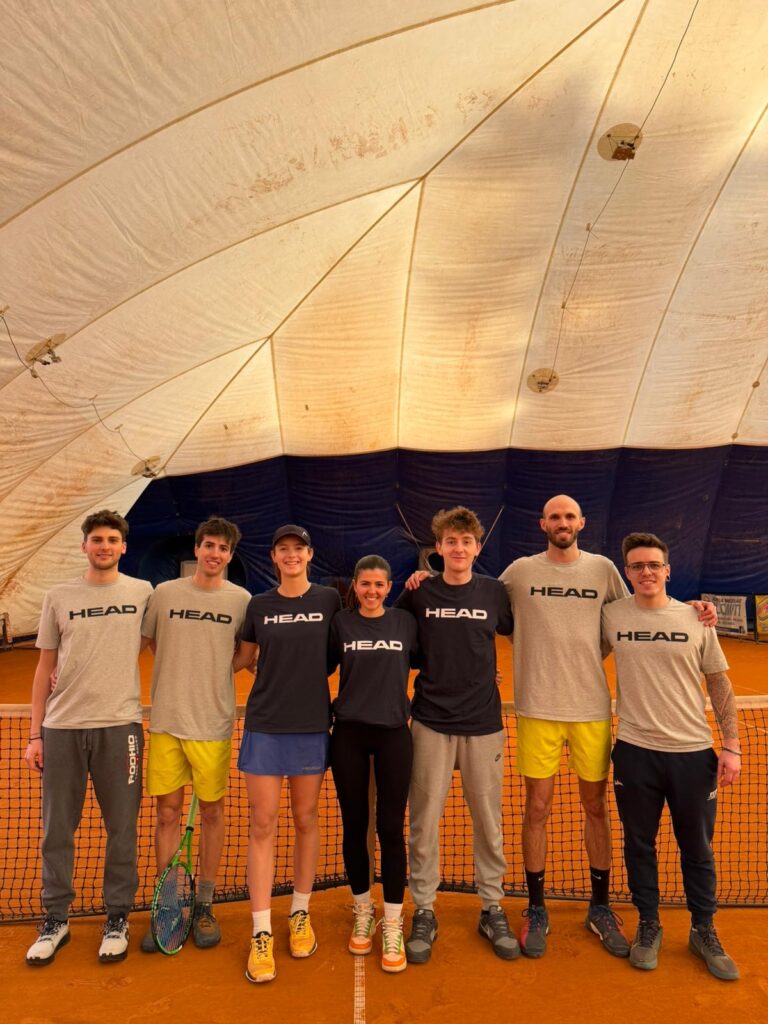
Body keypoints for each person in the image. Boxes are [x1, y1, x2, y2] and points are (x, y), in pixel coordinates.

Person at [603, 532, 741, 980]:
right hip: (635, 752)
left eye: (653, 565)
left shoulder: (696, 618)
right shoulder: (611, 615)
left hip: (692, 754)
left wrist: (732, 745)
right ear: (627, 572)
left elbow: (718, 682)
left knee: (697, 847)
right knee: (638, 844)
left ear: (667, 570)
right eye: (637, 565)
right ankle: (648, 924)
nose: (646, 572)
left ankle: (703, 929)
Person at [498, 495, 631, 958]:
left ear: (581, 522)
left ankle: (600, 906)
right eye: (555, 516)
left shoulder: (603, 570)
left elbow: (632, 614)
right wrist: (423, 579)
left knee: (596, 806)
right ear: (543, 524)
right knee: (537, 807)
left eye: (569, 516)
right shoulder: (519, 572)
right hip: (536, 708)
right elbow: (477, 598)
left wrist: (693, 610)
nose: (562, 522)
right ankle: (536, 907)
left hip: (591, 709)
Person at [24, 510, 152, 965]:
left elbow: (157, 641)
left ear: (123, 547)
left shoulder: (143, 592)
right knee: (56, 830)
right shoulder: (58, 596)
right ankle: (56, 919)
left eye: (112, 539)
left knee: (122, 828)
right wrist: (35, 735)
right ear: (84, 546)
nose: (104, 546)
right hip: (61, 730)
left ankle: (117, 916)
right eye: (96, 539)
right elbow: (44, 666)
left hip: (121, 728)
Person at [396, 506, 518, 964]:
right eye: (451, 541)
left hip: (483, 724)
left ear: (477, 547)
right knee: (423, 819)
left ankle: (492, 906)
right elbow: (395, 643)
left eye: (466, 541)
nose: (459, 548)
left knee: (488, 820)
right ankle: (424, 908)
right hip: (430, 720)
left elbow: (521, 631)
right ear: (439, 547)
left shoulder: (494, 592)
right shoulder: (418, 593)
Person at [234, 525, 342, 984]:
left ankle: (300, 912)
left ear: (310, 554)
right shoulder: (259, 605)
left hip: (311, 724)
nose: (292, 555)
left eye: (299, 548)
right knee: (262, 823)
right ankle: (261, 930)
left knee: (305, 818)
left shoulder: (329, 600)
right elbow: (242, 658)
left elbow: (345, 650)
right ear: (274, 557)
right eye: (284, 549)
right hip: (265, 725)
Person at [140, 516, 250, 953]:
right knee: (167, 814)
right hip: (167, 722)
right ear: (197, 549)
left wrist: (213, 672)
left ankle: (204, 903)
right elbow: (151, 641)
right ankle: (167, 904)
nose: (214, 553)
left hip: (212, 724)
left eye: (222, 548)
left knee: (212, 814)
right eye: (208, 545)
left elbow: (245, 653)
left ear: (230, 555)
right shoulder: (165, 594)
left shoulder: (241, 600)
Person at [328, 555, 419, 973]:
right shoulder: (341, 624)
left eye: (379, 584)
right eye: (365, 584)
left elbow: (436, 659)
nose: (372, 591)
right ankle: (363, 909)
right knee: (355, 825)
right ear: (355, 586)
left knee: (390, 828)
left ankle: (394, 921)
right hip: (348, 734)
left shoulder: (404, 623)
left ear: (388, 587)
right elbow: (316, 665)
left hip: (394, 735)